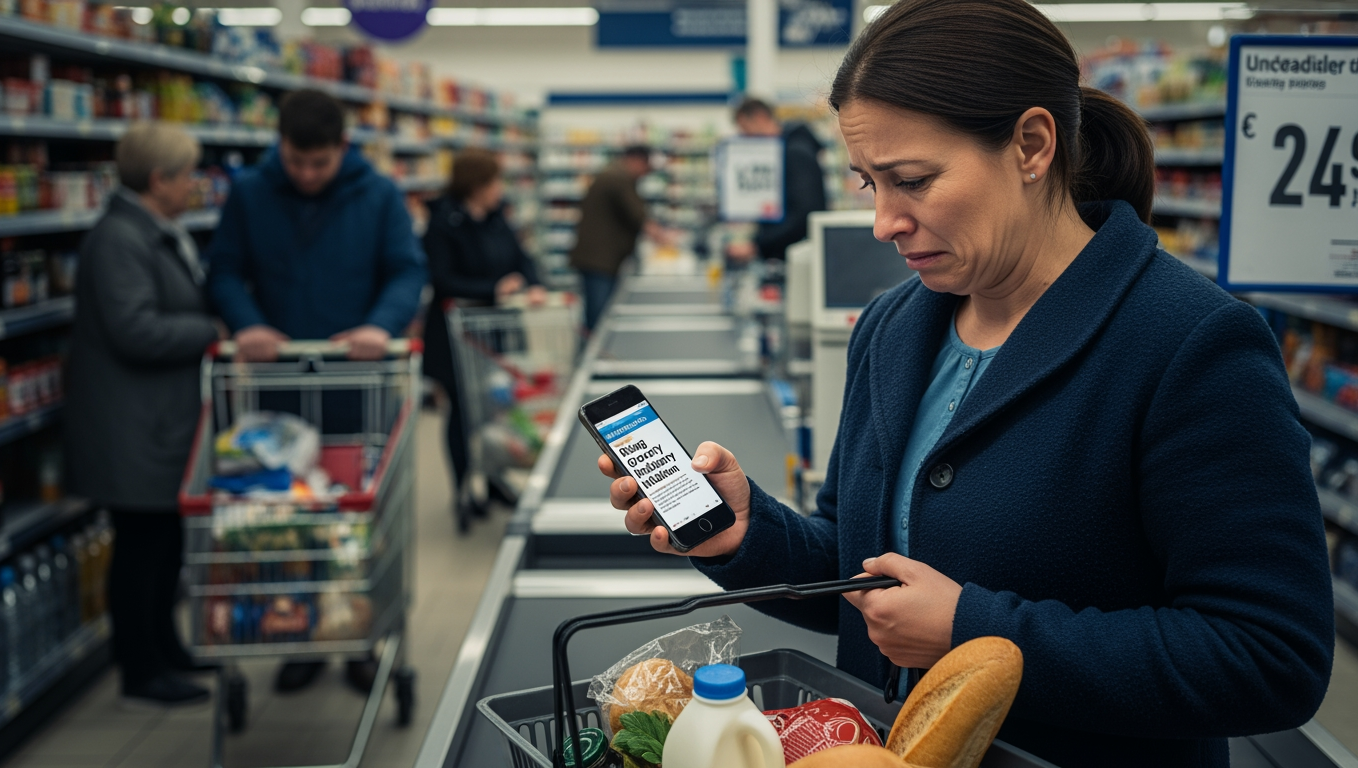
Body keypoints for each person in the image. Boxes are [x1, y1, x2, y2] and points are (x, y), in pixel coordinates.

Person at [599, 2, 1334, 767]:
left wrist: (976, 630)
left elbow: (1270, 656)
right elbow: (864, 573)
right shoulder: (890, 330)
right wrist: (751, 535)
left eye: (913, 180)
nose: (884, 221)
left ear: (1031, 144)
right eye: (868, 182)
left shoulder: (1188, 343)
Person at [207, 88, 427, 694]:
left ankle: (361, 633)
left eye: (319, 163)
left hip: (358, 383)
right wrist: (246, 321)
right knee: (287, 515)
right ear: (279, 145)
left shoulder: (378, 193)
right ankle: (299, 632)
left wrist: (381, 325)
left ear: (342, 149)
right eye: (296, 161)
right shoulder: (250, 192)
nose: (305, 174)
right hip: (277, 392)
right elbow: (223, 268)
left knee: (358, 514)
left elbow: (407, 269)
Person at [65, 123, 218, 706]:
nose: (194, 186)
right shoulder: (119, 241)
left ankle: (167, 647)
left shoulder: (152, 231)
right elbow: (134, 330)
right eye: (187, 175)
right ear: (159, 180)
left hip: (157, 421)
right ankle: (141, 667)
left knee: (166, 541)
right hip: (130, 426)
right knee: (141, 546)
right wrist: (211, 330)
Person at [422, 149, 545, 523]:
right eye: (494, 182)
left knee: (498, 409)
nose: (499, 189)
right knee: (462, 413)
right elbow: (442, 279)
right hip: (457, 338)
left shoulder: (496, 217)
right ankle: (463, 489)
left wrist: (534, 283)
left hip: (495, 335)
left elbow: (522, 257)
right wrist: (494, 289)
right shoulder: (443, 222)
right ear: (475, 186)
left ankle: (493, 482)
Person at [726, 97, 827, 264]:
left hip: (797, 258)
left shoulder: (795, 152)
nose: (746, 138)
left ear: (760, 118)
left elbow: (805, 214)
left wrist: (757, 245)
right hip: (787, 255)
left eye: (745, 130)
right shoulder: (781, 152)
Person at [567, 146, 653, 331]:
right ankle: (591, 356)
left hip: (597, 258)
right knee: (598, 318)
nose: (645, 174)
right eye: (646, 167)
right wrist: (666, 237)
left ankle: (590, 352)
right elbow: (639, 217)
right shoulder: (618, 178)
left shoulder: (612, 174)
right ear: (637, 161)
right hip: (599, 261)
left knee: (595, 312)